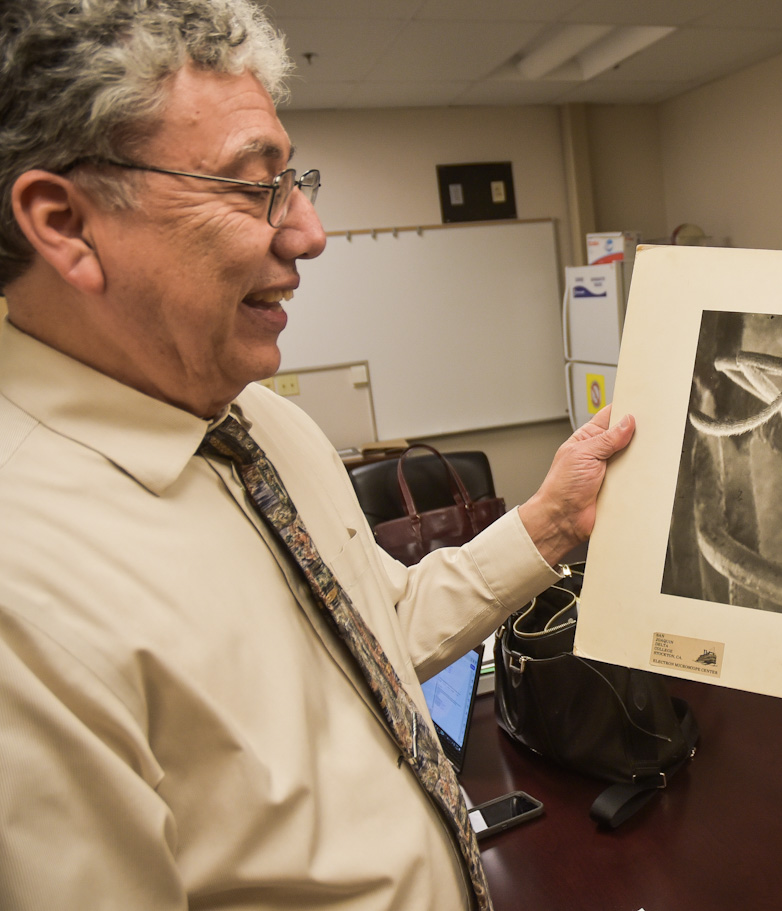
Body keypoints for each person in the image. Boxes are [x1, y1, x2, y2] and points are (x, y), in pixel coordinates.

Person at [0, 1, 633, 908]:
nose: (308, 232)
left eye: (293, 179)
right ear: (65, 223)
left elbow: (378, 623)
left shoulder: (260, 420)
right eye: (255, 186)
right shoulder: (24, 590)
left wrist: (554, 520)